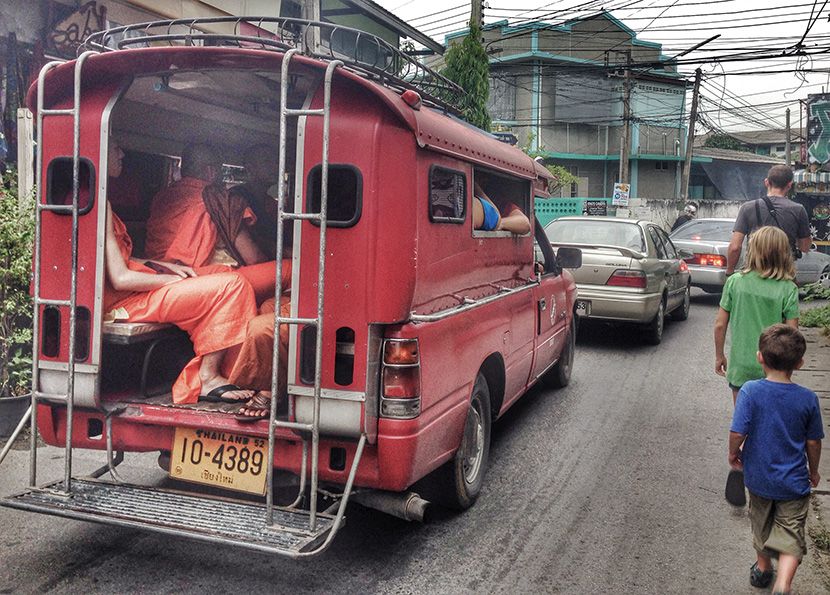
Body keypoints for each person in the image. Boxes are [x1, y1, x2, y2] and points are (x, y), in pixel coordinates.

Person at [104, 142, 257, 405]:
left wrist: (160, 264)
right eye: (115, 147)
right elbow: (120, 279)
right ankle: (207, 377)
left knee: (219, 275)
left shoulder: (100, 198)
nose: (123, 153)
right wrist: (170, 279)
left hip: (136, 290)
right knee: (233, 284)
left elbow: (117, 258)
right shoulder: (97, 203)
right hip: (125, 302)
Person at [728, 324, 823, 594]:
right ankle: (783, 583)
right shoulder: (807, 398)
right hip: (793, 482)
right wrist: (813, 471)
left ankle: (763, 570)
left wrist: (733, 453)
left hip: (758, 478)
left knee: (761, 524)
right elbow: (813, 441)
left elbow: (738, 431)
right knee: (791, 531)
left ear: (760, 357)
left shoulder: (749, 391)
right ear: (801, 363)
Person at [144, 143, 281, 302]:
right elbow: (254, 258)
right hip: (200, 277)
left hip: (158, 274)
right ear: (211, 171)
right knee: (290, 270)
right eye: (221, 171)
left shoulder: (162, 197)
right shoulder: (220, 200)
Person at [714, 226, 799, 406]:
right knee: (769, 419)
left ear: (753, 251)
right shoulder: (788, 288)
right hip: (775, 368)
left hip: (741, 366)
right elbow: (792, 333)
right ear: (784, 253)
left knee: (743, 420)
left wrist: (719, 355)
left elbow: (720, 325)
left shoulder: (735, 282)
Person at [725, 165, 812, 274]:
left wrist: (730, 271)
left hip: (754, 271)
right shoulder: (798, 209)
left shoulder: (748, 208)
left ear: (766, 182)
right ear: (789, 185)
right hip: (783, 274)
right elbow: (804, 247)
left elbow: (735, 247)